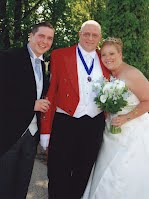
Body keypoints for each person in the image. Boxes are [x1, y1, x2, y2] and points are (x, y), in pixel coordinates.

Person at [40, 20, 110, 199]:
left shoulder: (106, 59)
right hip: (65, 123)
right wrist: (45, 131)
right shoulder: (60, 55)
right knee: (57, 173)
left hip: (94, 124)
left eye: (94, 35)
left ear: (100, 38)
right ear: (79, 34)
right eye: (86, 34)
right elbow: (51, 93)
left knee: (83, 174)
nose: (90, 38)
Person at [82, 37, 149, 199]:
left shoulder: (132, 73)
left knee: (122, 174)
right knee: (104, 170)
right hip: (111, 133)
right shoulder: (108, 75)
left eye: (111, 53)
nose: (107, 58)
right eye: (103, 55)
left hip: (132, 134)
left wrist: (126, 117)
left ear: (120, 54)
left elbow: (148, 101)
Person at [0, 22, 54, 199]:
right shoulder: (9, 57)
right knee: (4, 186)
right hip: (9, 134)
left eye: (49, 38)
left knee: (21, 186)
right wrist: (31, 104)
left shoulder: (43, 64)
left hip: (31, 137)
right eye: (41, 36)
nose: (44, 41)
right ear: (31, 36)